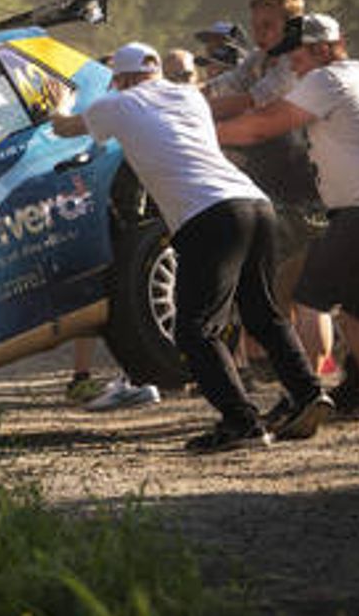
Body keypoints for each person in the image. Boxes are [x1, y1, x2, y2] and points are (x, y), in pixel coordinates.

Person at [49, 42, 331, 453]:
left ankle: (241, 423)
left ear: (122, 79)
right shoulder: (188, 96)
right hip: (254, 204)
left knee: (196, 329)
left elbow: (63, 128)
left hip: (209, 215)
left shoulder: (120, 103)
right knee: (262, 312)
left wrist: (61, 102)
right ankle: (308, 393)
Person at [217, 13, 359, 419]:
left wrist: (199, 133)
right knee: (355, 299)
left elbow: (262, 127)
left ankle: (303, 395)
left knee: (309, 295)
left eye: (297, 55)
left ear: (322, 49)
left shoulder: (327, 79)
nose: (292, 63)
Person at [204, 0, 334, 376]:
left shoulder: (292, 67)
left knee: (306, 292)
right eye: (256, 25)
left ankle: (312, 376)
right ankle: (293, 372)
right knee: (281, 287)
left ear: (290, 27)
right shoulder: (262, 58)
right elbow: (227, 83)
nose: (259, 34)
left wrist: (192, 109)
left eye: (268, 26)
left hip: (303, 184)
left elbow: (254, 100)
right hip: (274, 183)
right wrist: (186, 95)